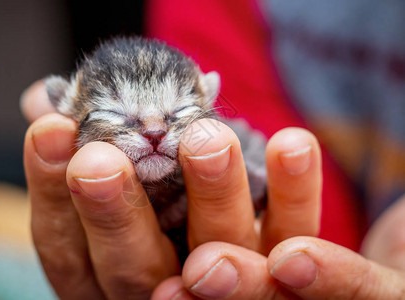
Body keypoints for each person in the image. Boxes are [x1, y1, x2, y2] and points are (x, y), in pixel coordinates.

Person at [21, 0, 405, 298]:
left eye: (181, 112)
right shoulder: (214, 13)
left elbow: (307, 229)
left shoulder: (229, 140)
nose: (154, 131)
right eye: (112, 112)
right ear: (64, 104)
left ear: (209, 96)